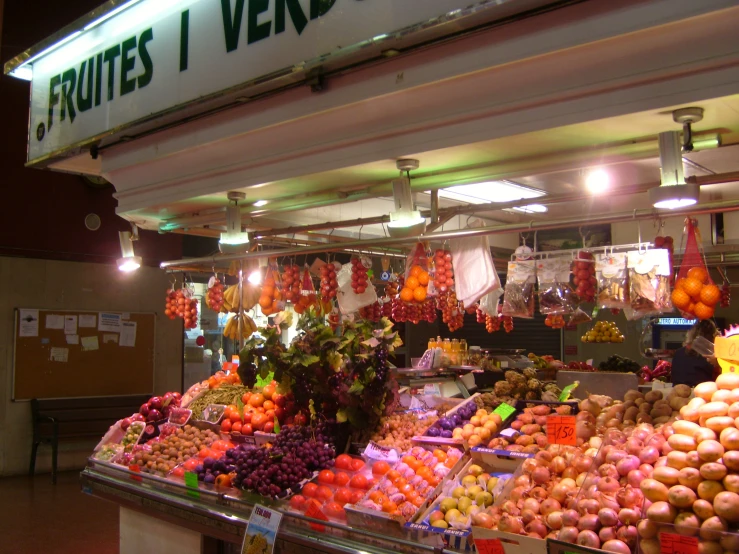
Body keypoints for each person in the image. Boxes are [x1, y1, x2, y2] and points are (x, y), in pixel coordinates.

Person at [671, 320, 720, 387]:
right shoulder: (710, 355)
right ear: (713, 335)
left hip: (677, 390)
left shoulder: (679, 352)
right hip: (701, 392)